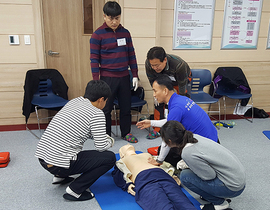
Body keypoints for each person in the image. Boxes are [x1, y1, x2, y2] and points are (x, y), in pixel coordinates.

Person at [35, 80, 116, 201]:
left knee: (66, 148)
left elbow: (79, 129)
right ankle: (75, 190)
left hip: (42, 158)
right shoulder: (97, 113)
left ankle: (60, 177)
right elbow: (101, 146)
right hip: (57, 164)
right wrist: (110, 140)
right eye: (106, 100)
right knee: (109, 158)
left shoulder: (75, 101)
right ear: (101, 99)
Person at [160, 120, 246, 210]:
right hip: (237, 178)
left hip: (233, 187)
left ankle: (219, 203)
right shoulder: (193, 137)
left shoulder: (187, 152)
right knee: (189, 172)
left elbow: (209, 176)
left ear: (169, 141)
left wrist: (191, 165)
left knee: (185, 176)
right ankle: (214, 193)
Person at [136, 74, 218, 167]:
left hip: (206, 149)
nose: (154, 95)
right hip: (214, 140)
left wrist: (159, 160)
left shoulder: (176, 108)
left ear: (165, 91)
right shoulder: (180, 99)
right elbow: (171, 120)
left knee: (164, 152)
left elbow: (167, 138)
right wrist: (151, 123)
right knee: (166, 149)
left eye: (155, 91)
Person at [90, 1, 139, 143]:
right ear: (104, 16)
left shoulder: (125, 33)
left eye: (117, 18)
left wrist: (134, 74)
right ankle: (105, 135)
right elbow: (94, 59)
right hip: (107, 78)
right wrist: (96, 79)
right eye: (111, 18)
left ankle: (126, 133)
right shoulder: (97, 35)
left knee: (126, 107)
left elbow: (131, 55)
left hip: (124, 76)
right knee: (105, 109)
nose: (114, 21)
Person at [112, 144, 197, 210]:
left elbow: (119, 175)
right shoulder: (145, 155)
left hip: (147, 179)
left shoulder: (122, 161)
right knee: (181, 203)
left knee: (164, 205)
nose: (128, 146)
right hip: (159, 177)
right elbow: (163, 165)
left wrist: (127, 185)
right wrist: (171, 175)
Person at [145, 46, 191, 139]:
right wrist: (156, 95)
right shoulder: (149, 64)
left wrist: (179, 100)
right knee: (158, 103)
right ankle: (158, 130)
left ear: (165, 60)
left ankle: (180, 129)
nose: (154, 68)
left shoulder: (179, 65)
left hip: (180, 81)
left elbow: (182, 86)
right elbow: (152, 82)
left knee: (180, 105)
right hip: (161, 81)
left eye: (157, 65)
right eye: (152, 65)